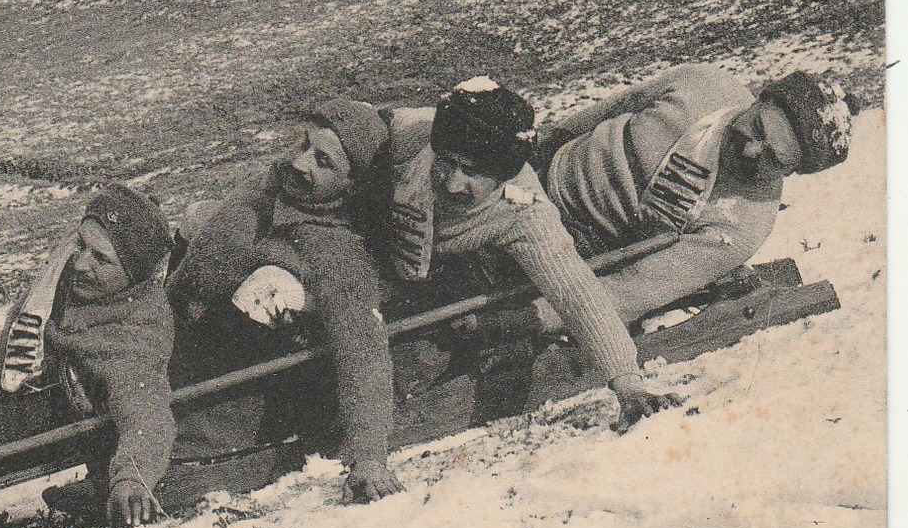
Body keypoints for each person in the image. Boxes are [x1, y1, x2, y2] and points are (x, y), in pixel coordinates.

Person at [361, 76, 681, 430]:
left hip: (423, 273)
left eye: (474, 173)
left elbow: (576, 292)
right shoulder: (408, 132)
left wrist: (628, 386)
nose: (453, 183)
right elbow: (339, 137)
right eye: (447, 163)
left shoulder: (525, 211)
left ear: (503, 176)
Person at [167, 100, 402, 506]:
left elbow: (363, 349)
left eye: (323, 161)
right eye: (303, 144)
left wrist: (369, 458)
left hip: (220, 382)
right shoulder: (267, 189)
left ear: (351, 185)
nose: (299, 162)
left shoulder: (334, 249)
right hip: (173, 329)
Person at [532, 64, 855, 324]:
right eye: (757, 128)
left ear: (791, 172)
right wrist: (540, 146)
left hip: (564, 254)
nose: (752, 150)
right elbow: (614, 107)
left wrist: (531, 320)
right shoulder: (705, 86)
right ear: (758, 100)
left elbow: (631, 289)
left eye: (774, 158)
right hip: (538, 178)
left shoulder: (744, 225)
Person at [0, 185, 176, 528]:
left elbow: (147, 414)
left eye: (101, 258)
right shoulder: (75, 280)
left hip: (10, 417)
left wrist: (131, 480)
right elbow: (16, 335)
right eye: (81, 245)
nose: (82, 263)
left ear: (133, 275)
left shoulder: (134, 333)